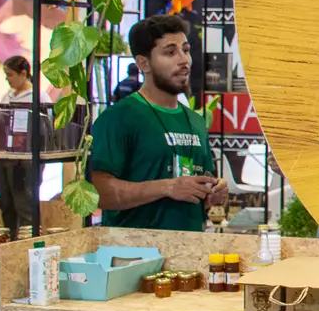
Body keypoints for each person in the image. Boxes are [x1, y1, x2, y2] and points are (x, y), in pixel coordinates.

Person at [88, 16, 227, 230]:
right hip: (133, 249)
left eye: (186, 50)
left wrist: (213, 192)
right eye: (170, 52)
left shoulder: (196, 121)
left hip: (191, 246)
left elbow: (200, 187)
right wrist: (167, 187)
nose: (184, 60)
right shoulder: (119, 118)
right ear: (143, 63)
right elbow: (97, 193)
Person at [0, 55, 36, 240]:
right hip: (4, 155)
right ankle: (10, 241)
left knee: (24, 203)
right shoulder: (7, 96)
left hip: (24, 160)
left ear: (23, 74)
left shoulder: (37, 97)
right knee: (5, 202)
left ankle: (28, 244)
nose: (7, 79)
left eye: (10, 74)